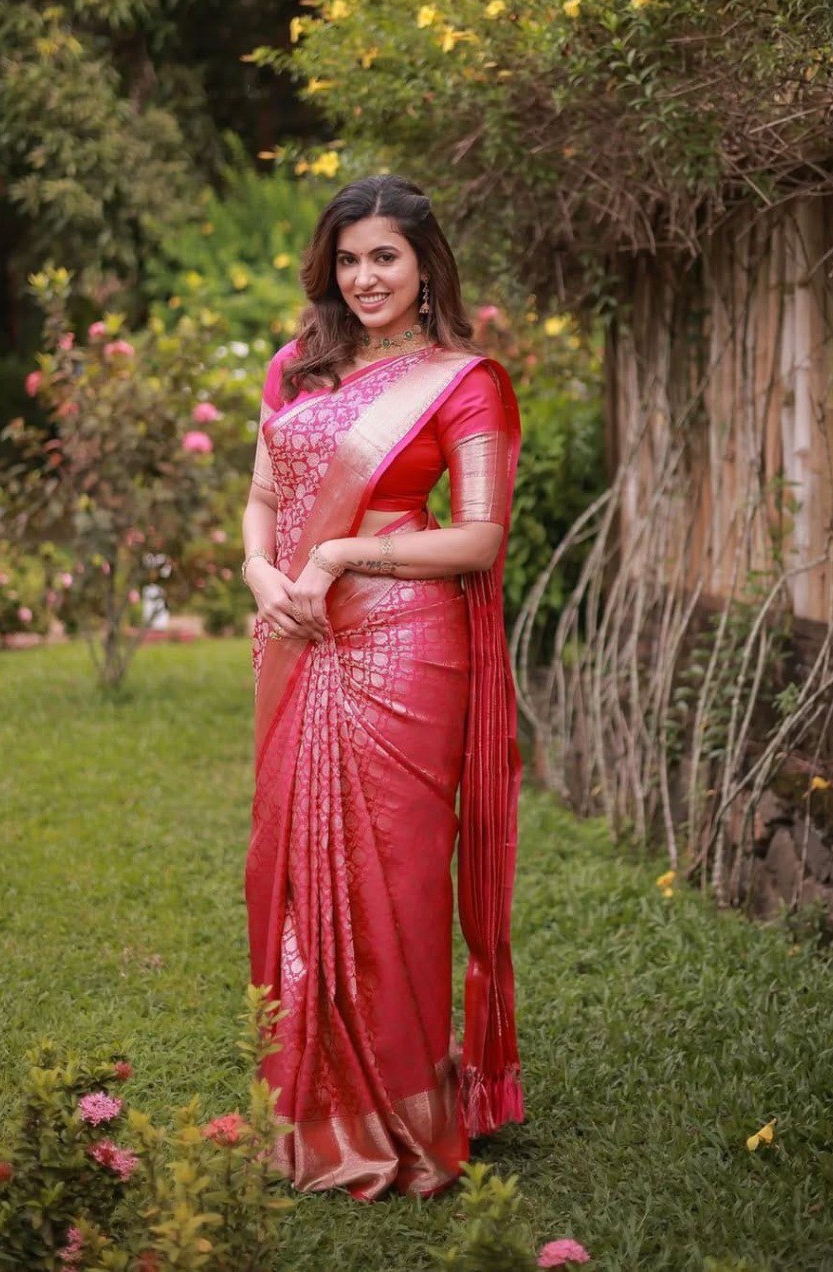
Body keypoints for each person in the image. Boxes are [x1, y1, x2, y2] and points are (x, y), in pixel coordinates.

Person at [241, 174, 523, 1201]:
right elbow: (261, 498)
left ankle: (400, 1115)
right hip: (295, 633)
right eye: (349, 259)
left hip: (404, 644)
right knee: (288, 863)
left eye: (385, 258)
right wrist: (263, 573)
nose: (365, 278)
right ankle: (310, 1101)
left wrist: (342, 553)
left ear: (424, 267)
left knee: (395, 878)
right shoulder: (295, 366)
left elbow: (479, 538)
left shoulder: (465, 381)